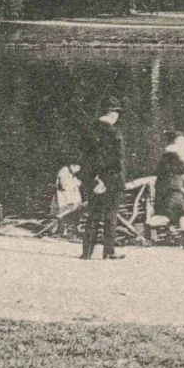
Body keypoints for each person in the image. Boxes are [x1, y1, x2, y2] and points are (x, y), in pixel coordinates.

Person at [79, 98, 127, 260]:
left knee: (93, 215)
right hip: (112, 180)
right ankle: (109, 251)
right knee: (110, 216)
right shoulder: (114, 133)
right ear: (113, 115)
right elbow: (117, 160)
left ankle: (87, 252)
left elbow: (84, 159)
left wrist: (95, 178)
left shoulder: (88, 131)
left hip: (93, 180)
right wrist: (108, 179)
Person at [153, 131, 184, 247]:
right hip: (171, 188)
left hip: (170, 187)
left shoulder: (171, 154)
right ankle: (149, 224)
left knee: (178, 213)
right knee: (172, 215)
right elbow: (180, 167)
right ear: (177, 141)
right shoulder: (172, 154)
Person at [52, 162, 84, 238]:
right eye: (77, 168)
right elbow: (63, 185)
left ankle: (69, 230)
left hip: (70, 198)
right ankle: (62, 230)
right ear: (72, 165)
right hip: (64, 197)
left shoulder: (72, 174)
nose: (78, 170)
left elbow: (77, 183)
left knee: (71, 213)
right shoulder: (64, 171)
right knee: (63, 213)